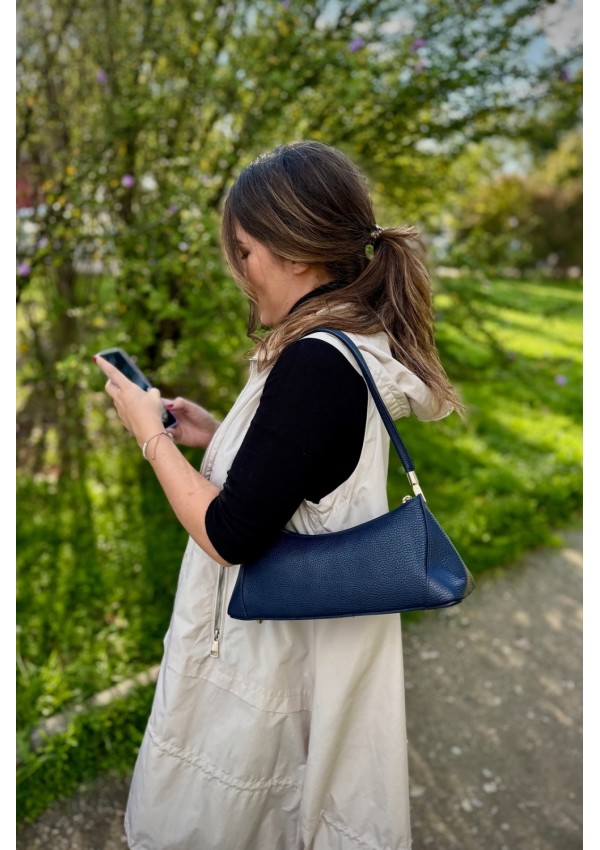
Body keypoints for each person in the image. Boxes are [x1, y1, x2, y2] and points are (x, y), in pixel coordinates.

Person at [95, 140, 463, 850]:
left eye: (245, 252)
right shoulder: (344, 338)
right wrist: (215, 436)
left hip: (267, 667)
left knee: (238, 820)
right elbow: (302, 469)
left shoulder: (316, 361)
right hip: (303, 647)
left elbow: (231, 533)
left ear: (296, 253)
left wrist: (153, 439)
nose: (240, 272)